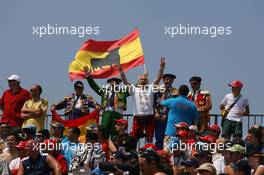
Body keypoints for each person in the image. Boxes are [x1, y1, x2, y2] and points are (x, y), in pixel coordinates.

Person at [117, 57, 166, 142]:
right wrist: (121, 71)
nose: (143, 80)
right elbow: (125, 81)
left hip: (149, 117)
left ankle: (149, 152)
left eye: (144, 79)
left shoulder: (151, 87)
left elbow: (158, 79)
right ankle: (134, 153)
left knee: (149, 136)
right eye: (141, 79)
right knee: (134, 137)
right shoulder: (133, 89)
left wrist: (161, 68)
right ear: (138, 81)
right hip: (138, 117)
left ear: (147, 80)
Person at [84, 66, 130, 139]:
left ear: (118, 83)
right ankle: (104, 149)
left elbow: (133, 89)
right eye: (110, 83)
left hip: (117, 114)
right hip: (106, 113)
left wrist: (142, 82)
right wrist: (88, 76)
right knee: (104, 130)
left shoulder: (123, 92)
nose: (111, 84)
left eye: (113, 82)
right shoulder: (104, 91)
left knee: (115, 134)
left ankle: (115, 149)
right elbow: (94, 86)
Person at [154, 73, 178, 149]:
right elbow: (153, 103)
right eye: (166, 79)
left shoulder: (175, 92)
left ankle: (168, 157)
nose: (168, 81)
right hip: (158, 118)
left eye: (170, 80)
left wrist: (167, 115)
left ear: (172, 81)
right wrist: (156, 112)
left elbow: (175, 106)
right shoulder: (157, 90)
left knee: (170, 138)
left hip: (170, 119)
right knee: (159, 138)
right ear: (163, 80)